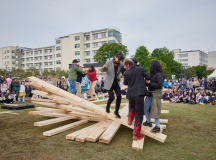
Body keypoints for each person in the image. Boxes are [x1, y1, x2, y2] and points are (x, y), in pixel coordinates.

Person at [123, 59, 150, 139]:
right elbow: (148, 77)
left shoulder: (126, 73)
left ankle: (129, 121)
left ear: (128, 65)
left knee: (131, 107)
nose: (124, 67)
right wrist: (142, 80)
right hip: (139, 94)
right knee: (139, 114)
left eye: (124, 65)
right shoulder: (141, 69)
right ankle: (136, 134)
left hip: (131, 93)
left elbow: (125, 83)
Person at [101, 51, 126, 118]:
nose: (119, 61)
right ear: (115, 57)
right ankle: (107, 106)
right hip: (109, 83)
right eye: (118, 59)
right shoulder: (108, 62)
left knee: (119, 96)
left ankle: (116, 111)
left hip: (116, 82)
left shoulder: (120, 63)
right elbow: (103, 70)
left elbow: (123, 72)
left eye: (120, 60)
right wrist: (103, 68)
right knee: (111, 97)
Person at [144, 60, 164, 133]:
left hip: (156, 94)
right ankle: (149, 122)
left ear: (154, 66)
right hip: (150, 94)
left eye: (151, 65)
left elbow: (159, 85)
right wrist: (146, 82)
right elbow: (150, 84)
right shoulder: (152, 74)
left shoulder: (158, 74)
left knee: (156, 110)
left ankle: (157, 126)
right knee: (145, 108)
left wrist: (149, 82)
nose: (150, 66)